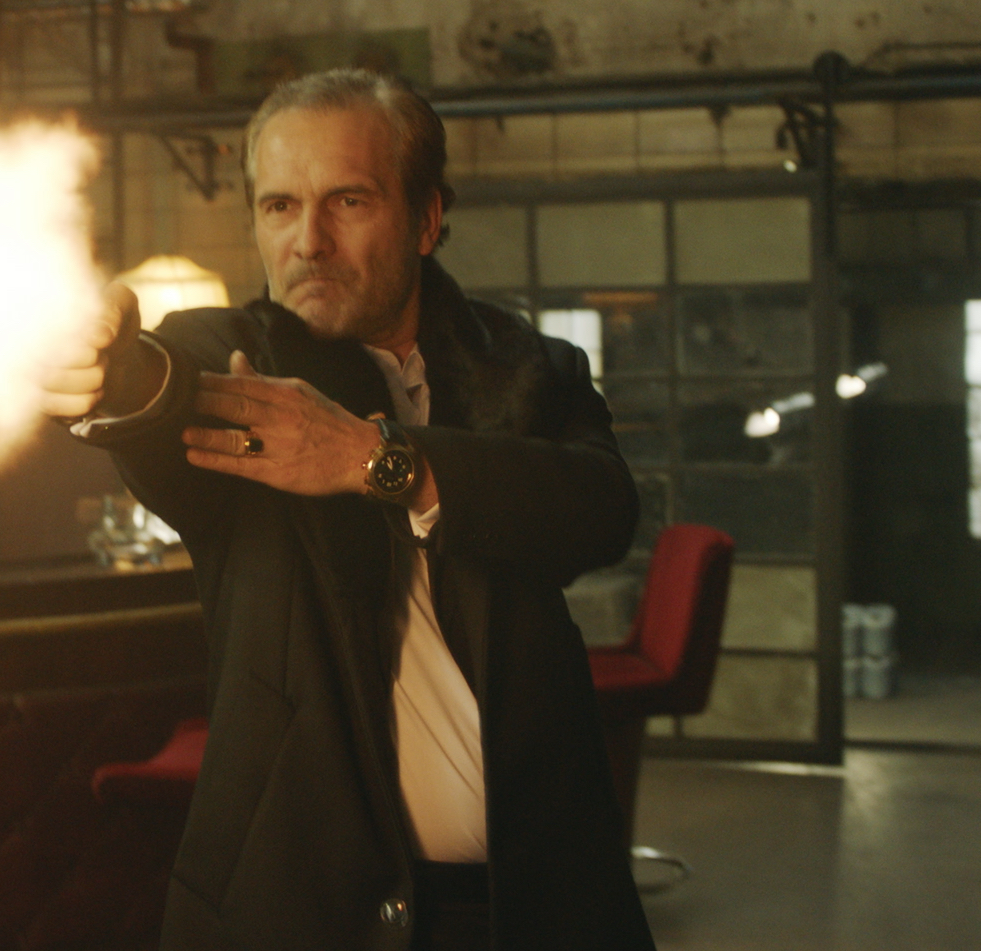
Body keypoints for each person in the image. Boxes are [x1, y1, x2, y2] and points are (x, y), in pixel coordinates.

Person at [46, 69, 653, 950]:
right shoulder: (234, 355)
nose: (309, 241)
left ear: (426, 220)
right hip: (301, 918)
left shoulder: (530, 368)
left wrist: (378, 462)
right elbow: (162, 387)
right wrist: (107, 370)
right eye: (280, 207)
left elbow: (601, 510)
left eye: (349, 202)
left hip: (532, 908)